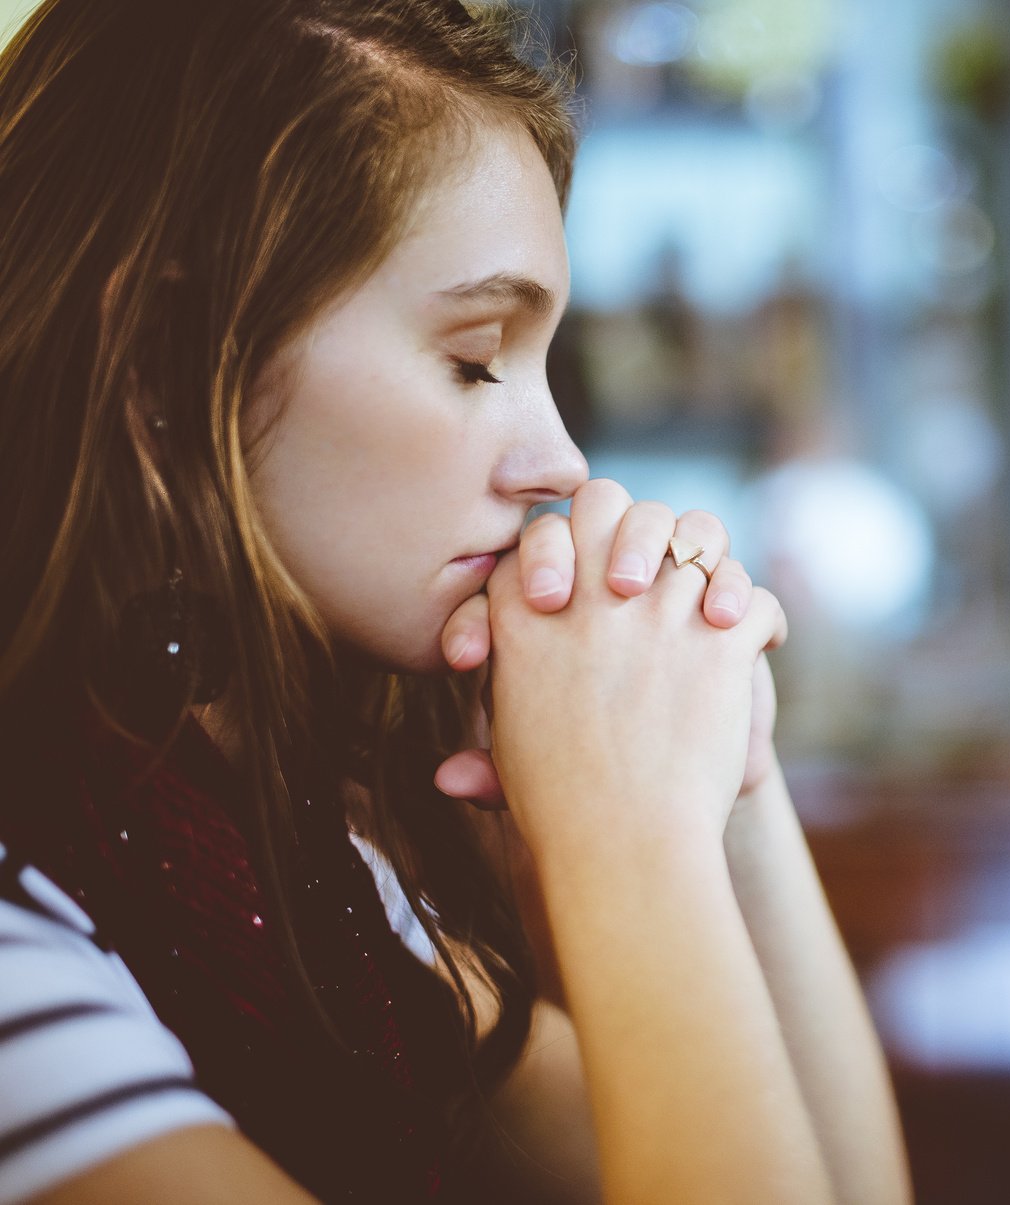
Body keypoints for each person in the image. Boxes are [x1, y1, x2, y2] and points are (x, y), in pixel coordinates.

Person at [0, 1, 911, 1201]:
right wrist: (624, 834)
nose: (565, 464)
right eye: (476, 356)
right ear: (170, 358)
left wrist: (720, 768)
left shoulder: (295, 858)